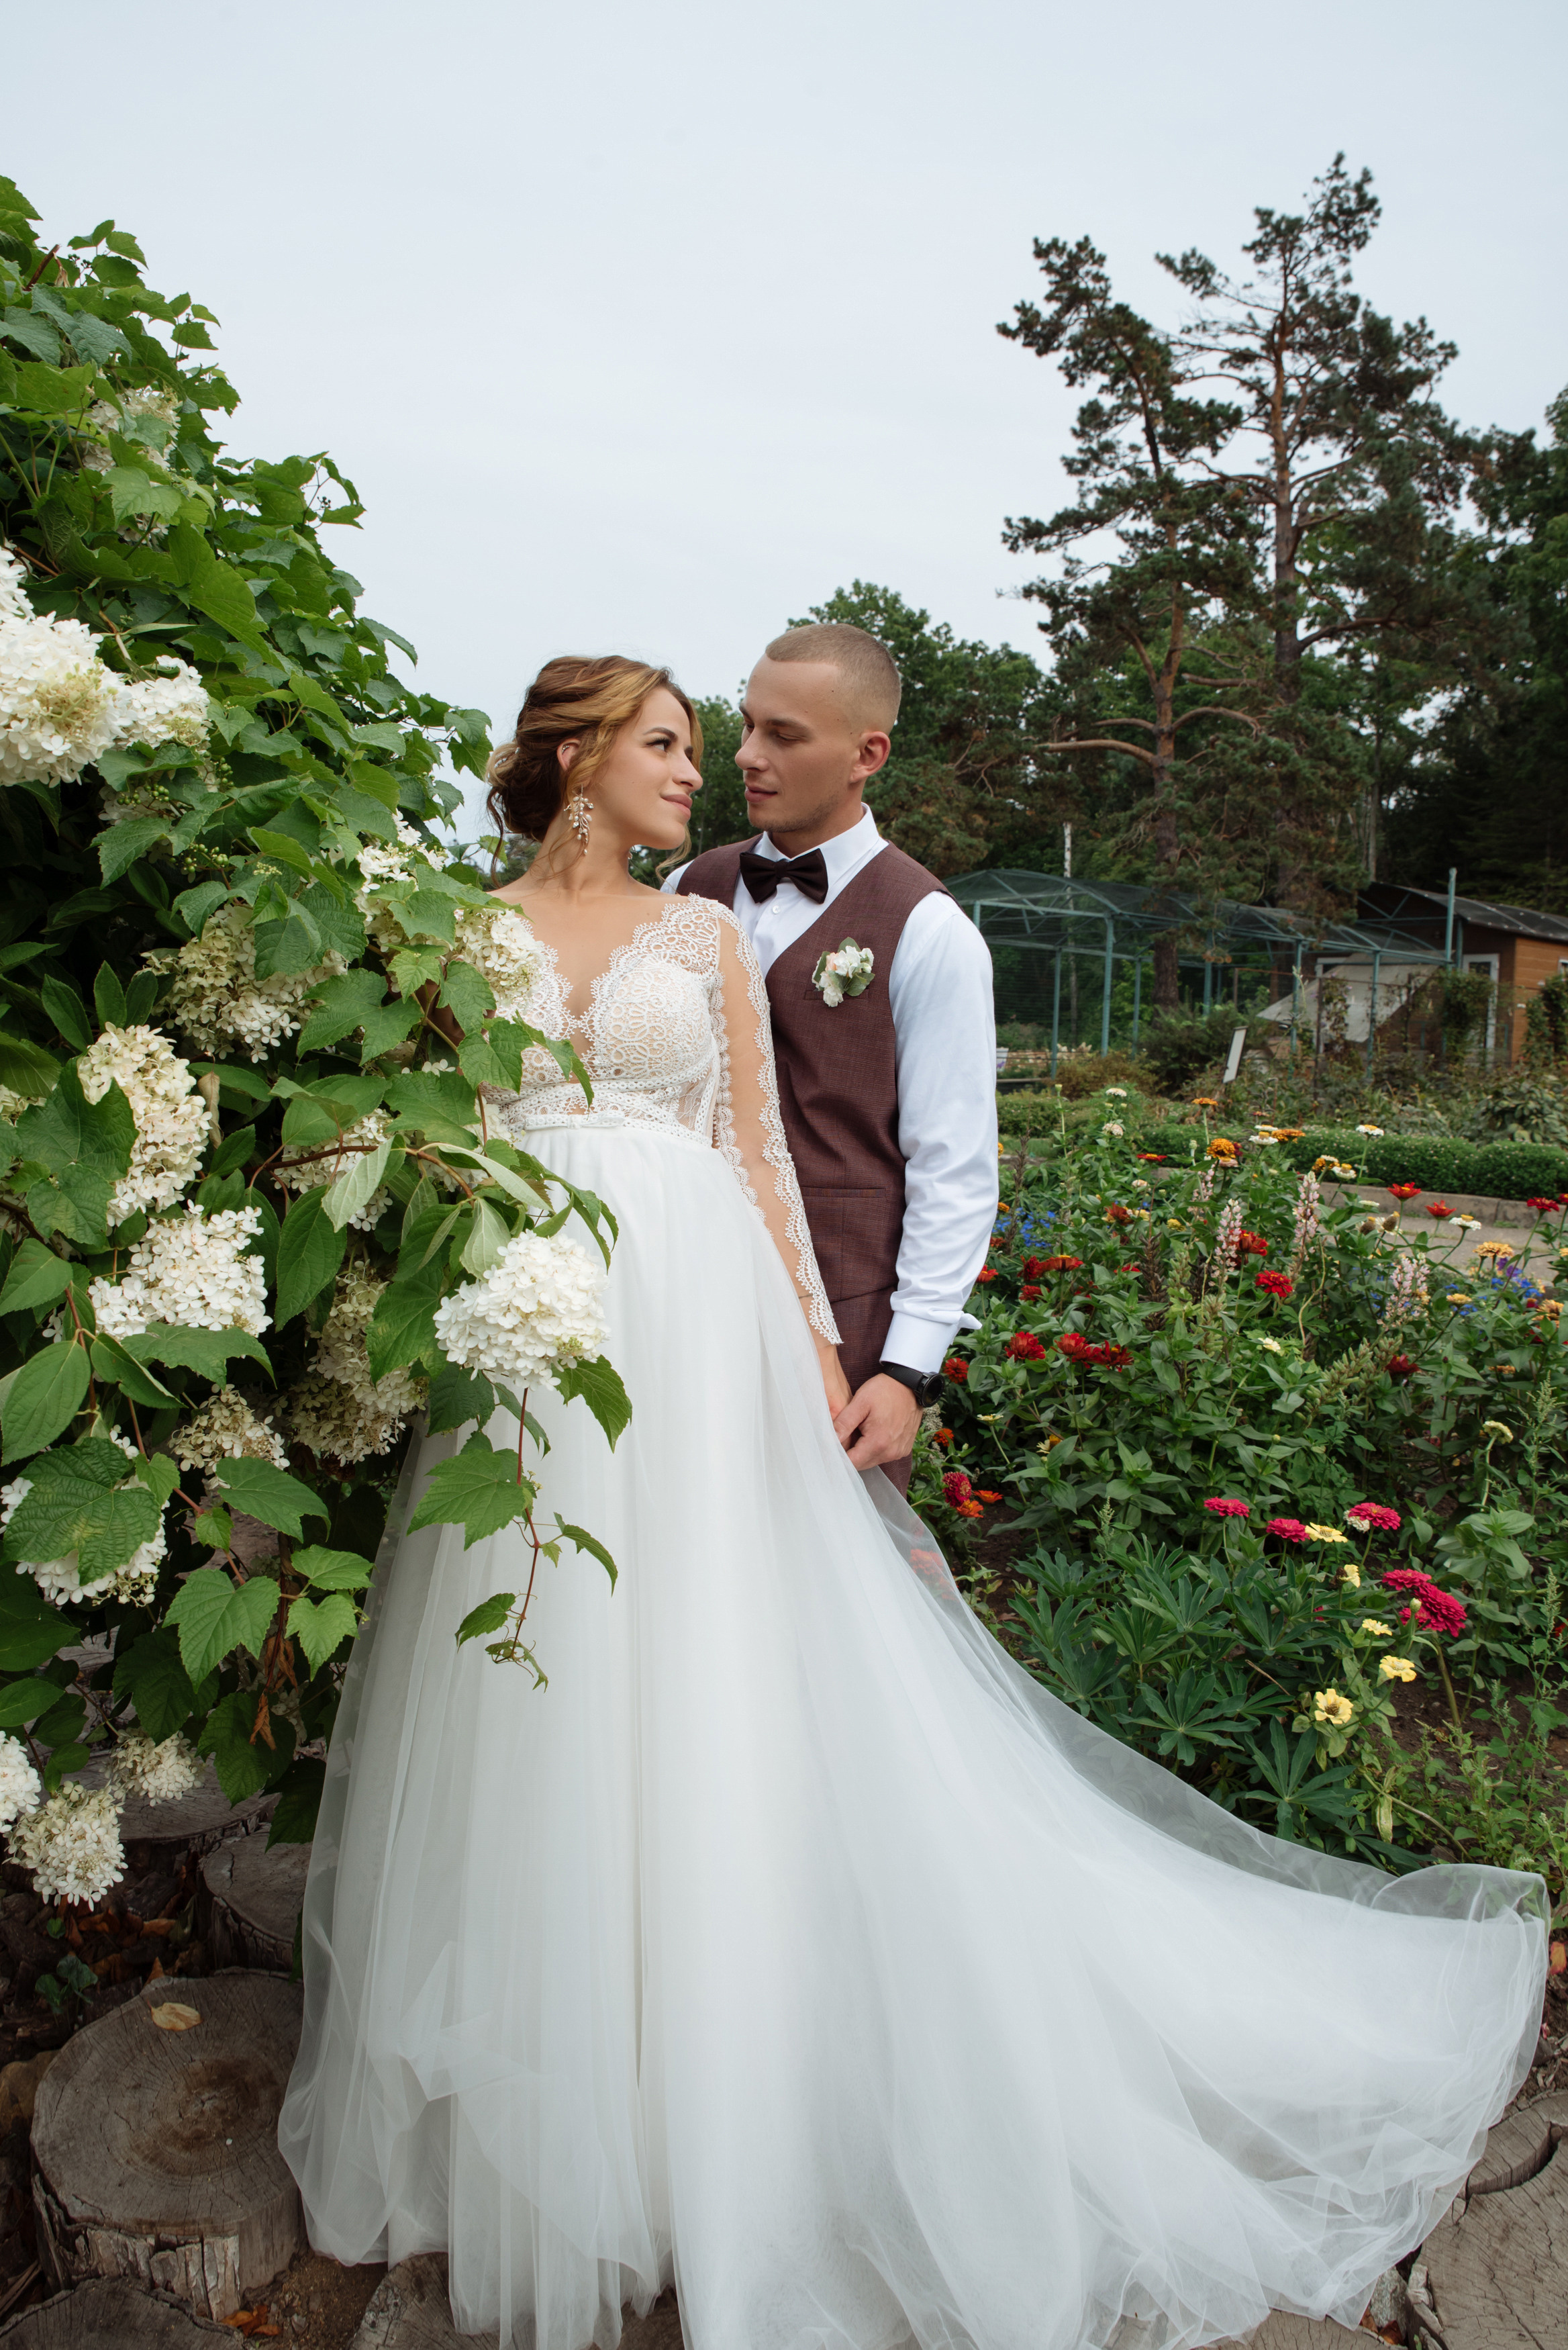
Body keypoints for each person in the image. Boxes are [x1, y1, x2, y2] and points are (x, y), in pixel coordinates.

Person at [279, 655, 1546, 2350]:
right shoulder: (509, 922)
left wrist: (842, 1353)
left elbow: (796, 1160)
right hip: (523, 1342)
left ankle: (739, 2043)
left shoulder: (785, 931)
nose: (720, 765)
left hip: (700, 1327)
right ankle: (558, 2055)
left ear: (857, 752)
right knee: (540, 1675)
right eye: (685, 738)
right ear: (575, 764)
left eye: (747, 737)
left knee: (731, 1671)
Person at [665, 622, 997, 1493]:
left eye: (784, 735)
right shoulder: (685, 890)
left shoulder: (929, 931)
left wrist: (907, 1371)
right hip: (676, 1295)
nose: (745, 755)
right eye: (746, 726)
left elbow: (954, 1167)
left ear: (867, 753)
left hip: (843, 1326)